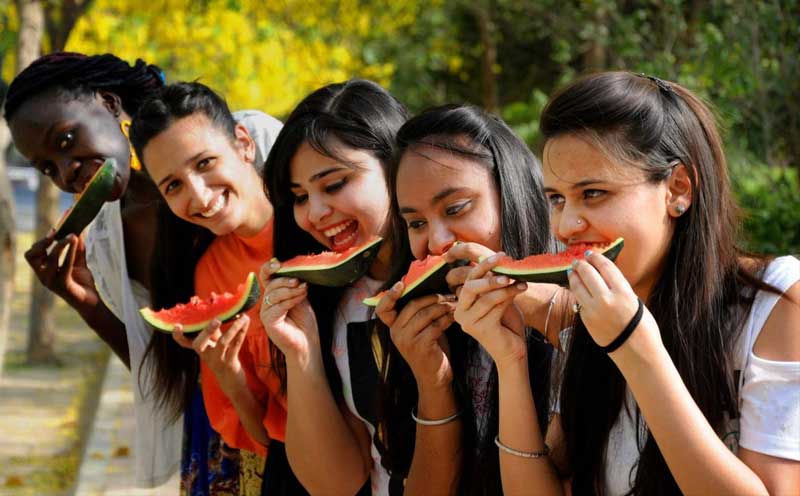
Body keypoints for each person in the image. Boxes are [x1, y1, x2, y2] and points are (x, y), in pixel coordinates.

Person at [455, 71, 800, 495]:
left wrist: (636, 350)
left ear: (677, 188)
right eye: (557, 199)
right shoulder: (589, 319)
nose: (565, 225)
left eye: (594, 193)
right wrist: (509, 361)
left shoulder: (777, 301)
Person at [3, 52, 179, 488]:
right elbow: (164, 373)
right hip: (223, 439)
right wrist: (84, 300)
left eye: (64, 141)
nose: (66, 173)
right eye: (48, 167)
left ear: (109, 103)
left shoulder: (236, 147)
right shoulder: (104, 243)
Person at [372, 104, 555, 495]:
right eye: (416, 223)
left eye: (455, 208)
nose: (436, 241)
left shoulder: (580, 323)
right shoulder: (427, 333)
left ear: (513, 196)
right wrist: (432, 381)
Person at [130, 81, 285, 495]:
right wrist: (230, 377)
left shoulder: (320, 225)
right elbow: (266, 437)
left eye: (203, 163)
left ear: (243, 144)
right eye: (173, 186)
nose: (198, 195)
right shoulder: (209, 276)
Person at [258, 79, 408, 495]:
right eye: (300, 196)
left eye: (334, 184)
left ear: (394, 164)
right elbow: (336, 483)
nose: (315, 213)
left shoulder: (464, 280)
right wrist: (301, 352)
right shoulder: (338, 302)